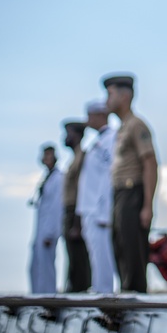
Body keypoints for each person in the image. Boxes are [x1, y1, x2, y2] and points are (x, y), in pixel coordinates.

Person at [104, 74, 158, 293]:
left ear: (125, 96)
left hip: (132, 192)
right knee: (120, 247)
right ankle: (126, 294)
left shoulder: (137, 125)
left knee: (132, 250)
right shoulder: (123, 128)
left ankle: (135, 297)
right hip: (120, 194)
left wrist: (147, 205)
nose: (107, 100)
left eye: (111, 94)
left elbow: (150, 163)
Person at [77, 98, 118, 293]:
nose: (87, 120)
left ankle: (105, 293)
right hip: (90, 208)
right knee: (95, 255)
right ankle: (100, 290)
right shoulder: (99, 141)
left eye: (90, 116)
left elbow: (109, 177)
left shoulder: (110, 140)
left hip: (98, 209)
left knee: (103, 256)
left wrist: (104, 212)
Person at [62, 120, 91, 292]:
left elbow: (82, 189)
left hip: (75, 211)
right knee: (72, 255)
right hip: (70, 210)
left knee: (78, 256)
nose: (65, 138)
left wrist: (77, 222)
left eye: (68, 133)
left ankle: (79, 290)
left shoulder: (82, 157)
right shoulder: (75, 158)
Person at [29, 143, 62, 294]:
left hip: (48, 231)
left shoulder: (58, 178)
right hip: (41, 229)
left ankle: (47, 297)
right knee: (35, 266)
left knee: (46, 267)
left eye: (50, 155)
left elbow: (56, 207)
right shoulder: (47, 178)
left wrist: (50, 232)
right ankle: (37, 296)